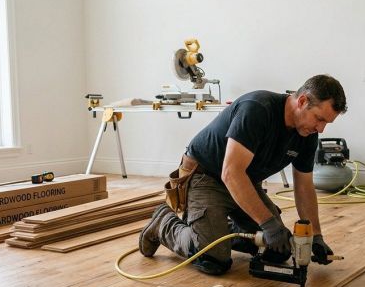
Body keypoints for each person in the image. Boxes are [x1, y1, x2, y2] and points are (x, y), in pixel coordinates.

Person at [139, 74, 348, 275]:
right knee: (213, 258)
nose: (320, 129)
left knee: (279, 249)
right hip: (207, 176)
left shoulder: (306, 133)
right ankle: (163, 223)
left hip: (244, 182)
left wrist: (316, 236)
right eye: (319, 119)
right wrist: (267, 224)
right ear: (302, 101)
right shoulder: (258, 109)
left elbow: (304, 187)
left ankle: (215, 228)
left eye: (326, 123)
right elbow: (231, 173)